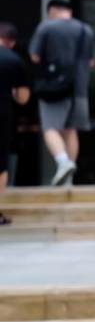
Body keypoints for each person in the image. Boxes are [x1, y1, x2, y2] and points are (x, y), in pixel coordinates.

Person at [29, 0, 95, 186]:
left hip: (55, 87)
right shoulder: (86, 30)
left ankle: (63, 162)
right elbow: (91, 62)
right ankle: (69, 180)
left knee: (50, 128)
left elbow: (34, 56)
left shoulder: (47, 27)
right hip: (79, 89)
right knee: (70, 130)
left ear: (52, 11)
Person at [0, 23, 32, 225]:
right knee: (0, 166)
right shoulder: (13, 60)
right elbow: (23, 98)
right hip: (1, 115)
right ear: (11, 42)